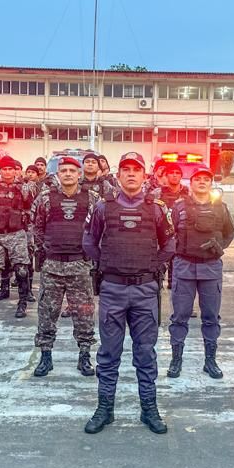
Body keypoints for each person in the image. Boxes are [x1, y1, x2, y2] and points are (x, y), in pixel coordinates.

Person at [82, 151, 175, 435]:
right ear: (119, 175)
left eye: (137, 169)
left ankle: (149, 410)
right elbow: (88, 241)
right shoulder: (102, 207)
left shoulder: (157, 208)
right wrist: (107, 264)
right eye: (126, 169)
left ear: (144, 175)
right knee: (109, 353)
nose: (131, 174)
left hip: (145, 290)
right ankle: (104, 409)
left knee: (145, 353)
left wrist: (152, 266)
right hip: (113, 289)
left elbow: (170, 244)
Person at [31, 155, 98, 377]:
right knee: (47, 312)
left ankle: (85, 356)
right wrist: (47, 248)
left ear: (79, 174)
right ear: (58, 174)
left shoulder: (92, 199)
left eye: (72, 170)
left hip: (80, 265)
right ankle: (45, 357)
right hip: (52, 266)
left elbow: (98, 230)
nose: (68, 174)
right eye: (64, 170)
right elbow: (37, 228)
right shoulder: (45, 199)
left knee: (84, 313)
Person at [167, 163, 234, 379]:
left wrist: (219, 247)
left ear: (211, 183)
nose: (202, 182)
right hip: (184, 266)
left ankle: (210, 361)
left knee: (211, 317)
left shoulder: (221, 208)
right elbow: (170, 232)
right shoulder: (179, 207)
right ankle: (176, 360)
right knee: (179, 316)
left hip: (210, 267)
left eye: (206, 179)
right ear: (191, 183)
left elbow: (229, 232)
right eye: (198, 179)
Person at [0, 156, 32, 319]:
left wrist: (28, 235)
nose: (7, 172)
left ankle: (22, 304)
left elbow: (29, 209)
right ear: (0, 170)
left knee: (21, 271)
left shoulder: (23, 188)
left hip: (16, 233)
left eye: (10, 169)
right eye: (4, 169)